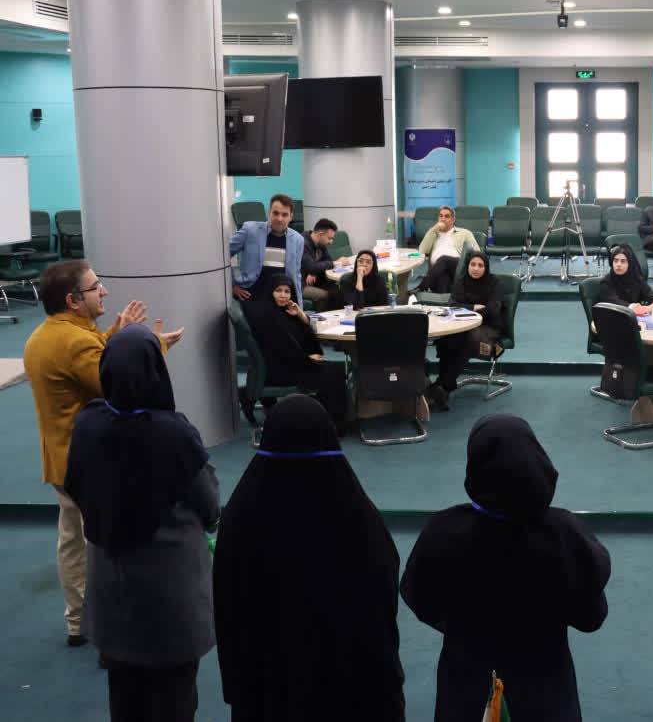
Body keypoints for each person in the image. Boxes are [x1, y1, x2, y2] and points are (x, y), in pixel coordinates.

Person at [401, 415, 610, 722]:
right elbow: (591, 617)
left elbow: (422, 602)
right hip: (545, 686)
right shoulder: (566, 535)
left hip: (467, 680)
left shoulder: (443, 531)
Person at [214, 395, 405, 722]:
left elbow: (227, 611)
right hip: (349, 691)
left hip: (268, 692)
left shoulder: (241, 517)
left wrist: (238, 686)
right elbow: (382, 606)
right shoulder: (358, 520)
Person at [23, 259, 182, 647]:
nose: (104, 292)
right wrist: (154, 346)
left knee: (72, 542)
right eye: (96, 287)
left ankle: (78, 621)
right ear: (73, 300)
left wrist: (115, 334)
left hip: (61, 459)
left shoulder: (47, 336)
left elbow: (90, 366)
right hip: (89, 465)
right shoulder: (75, 342)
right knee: (105, 546)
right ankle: (108, 625)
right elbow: (118, 382)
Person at [64, 325, 218, 722]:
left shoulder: (88, 423)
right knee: (175, 699)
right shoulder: (174, 433)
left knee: (124, 698)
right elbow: (208, 504)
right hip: (170, 596)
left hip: (110, 592)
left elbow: (75, 483)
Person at [242, 275, 349, 429]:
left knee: (334, 371)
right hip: (279, 371)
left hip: (291, 363)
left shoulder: (283, 312)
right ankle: (332, 426)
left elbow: (304, 339)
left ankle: (325, 420)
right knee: (334, 374)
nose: (283, 295)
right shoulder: (268, 316)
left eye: (287, 291)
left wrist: (300, 315)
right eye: (278, 291)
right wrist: (307, 359)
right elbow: (282, 350)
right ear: (270, 292)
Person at [432, 252, 506, 409]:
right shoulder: (461, 281)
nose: (476, 268)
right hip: (463, 326)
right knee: (448, 338)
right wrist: (473, 307)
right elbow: (452, 305)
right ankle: (442, 389)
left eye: (480, 265)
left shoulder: (495, 283)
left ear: (486, 267)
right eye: (473, 264)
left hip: (489, 329)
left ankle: (443, 386)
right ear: (467, 266)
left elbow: (493, 310)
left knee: (466, 339)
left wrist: (466, 309)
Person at [229, 194, 305, 303]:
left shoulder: (298, 240)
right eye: (276, 213)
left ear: (291, 217)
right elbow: (222, 256)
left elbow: (296, 276)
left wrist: (299, 306)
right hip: (251, 295)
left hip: (281, 299)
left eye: (284, 215)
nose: (279, 219)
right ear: (269, 213)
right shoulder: (250, 230)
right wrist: (232, 285)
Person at [416, 205, 481, 294]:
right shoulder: (434, 233)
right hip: (437, 270)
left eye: (447, 216)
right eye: (441, 216)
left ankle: (421, 287)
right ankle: (446, 299)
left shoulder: (465, 233)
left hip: (459, 267)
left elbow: (478, 253)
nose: (443, 219)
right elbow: (422, 250)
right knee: (443, 278)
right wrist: (433, 229)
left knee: (444, 259)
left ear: (453, 220)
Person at [301, 218, 350, 311]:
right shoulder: (302, 243)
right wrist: (334, 263)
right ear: (320, 234)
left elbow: (327, 260)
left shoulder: (320, 243)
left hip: (315, 280)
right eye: (329, 238)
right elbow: (312, 267)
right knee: (328, 295)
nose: (331, 242)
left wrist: (314, 270)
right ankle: (322, 318)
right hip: (300, 285)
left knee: (339, 290)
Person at [596, 243, 653, 315]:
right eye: (615, 261)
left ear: (630, 264)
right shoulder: (606, 282)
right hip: (611, 317)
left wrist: (652, 306)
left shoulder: (637, 279)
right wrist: (633, 307)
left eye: (623, 261)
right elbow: (615, 303)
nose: (618, 264)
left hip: (635, 318)